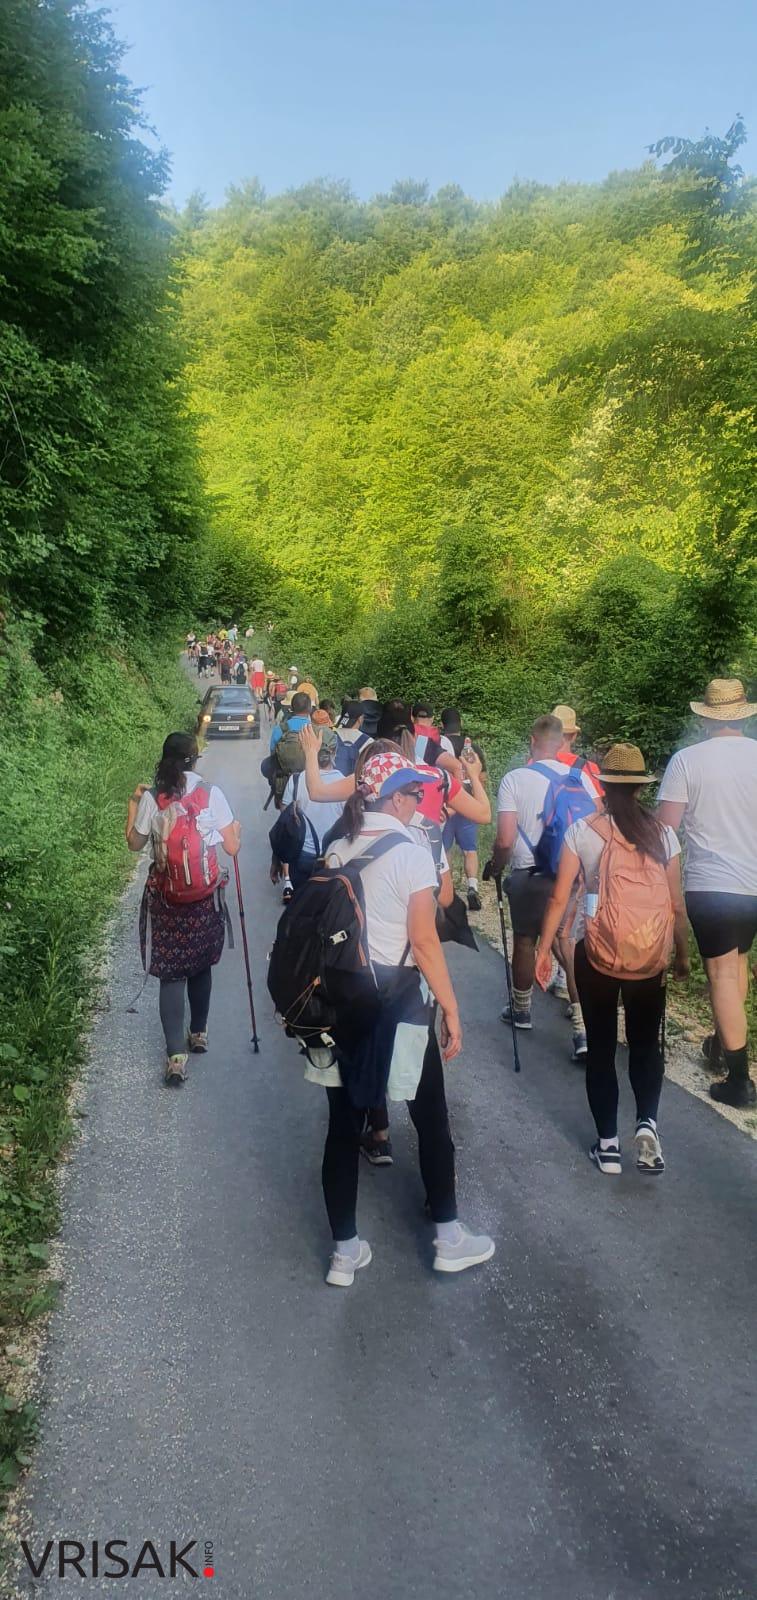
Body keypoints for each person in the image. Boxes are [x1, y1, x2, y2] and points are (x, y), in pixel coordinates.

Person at [307, 749, 494, 1285]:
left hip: (338, 1003)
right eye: (413, 793)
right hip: (399, 1002)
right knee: (429, 1115)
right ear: (392, 797)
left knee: (342, 1127)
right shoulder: (411, 850)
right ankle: (449, 1237)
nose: (420, 802)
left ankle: (345, 1252)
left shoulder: (338, 846)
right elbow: (424, 940)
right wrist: (451, 1008)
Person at [536, 743, 689, 1175]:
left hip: (597, 956)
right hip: (649, 957)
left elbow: (558, 897)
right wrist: (680, 956)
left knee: (602, 1048)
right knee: (644, 1044)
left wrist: (547, 950)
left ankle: (607, 1146)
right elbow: (676, 905)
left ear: (601, 784)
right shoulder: (664, 835)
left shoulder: (583, 832)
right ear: (641, 787)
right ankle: (648, 1124)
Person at [658, 678, 757, 1108]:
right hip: (754, 885)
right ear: (742, 715)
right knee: (737, 966)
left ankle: (739, 1081)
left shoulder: (687, 761)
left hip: (712, 884)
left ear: (705, 719)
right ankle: (721, 1045)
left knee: (720, 974)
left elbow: (665, 828)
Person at [125, 733, 241, 1084]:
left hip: (166, 897)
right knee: (201, 962)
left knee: (172, 972)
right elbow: (233, 848)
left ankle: (176, 1055)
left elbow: (134, 843)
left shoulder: (153, 797)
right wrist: (236, 830)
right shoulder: (210, 793)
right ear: (194, 759)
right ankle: (199, 1032)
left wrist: (133, 803)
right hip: (202, 896)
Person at [490, 714, 601, 1048]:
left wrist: (496, 866)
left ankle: (522, 1010)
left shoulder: (515, 778)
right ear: (562, 742)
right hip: (573, 876)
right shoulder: (581, 777)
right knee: (569, 947)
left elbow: (505, 840)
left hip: (529, 873)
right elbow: (600, 825)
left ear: (532, 741)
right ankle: (582, 1029)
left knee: (525, 939)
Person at [439, 707, 487, 911]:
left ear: (442, 725)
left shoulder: (440, 746)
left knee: (446, 849)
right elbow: (482, 777)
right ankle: (472, 887)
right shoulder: (472, 747)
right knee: (470, 849)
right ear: (460, 724)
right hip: (469, 804)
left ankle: (447, 891)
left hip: (448, 803)